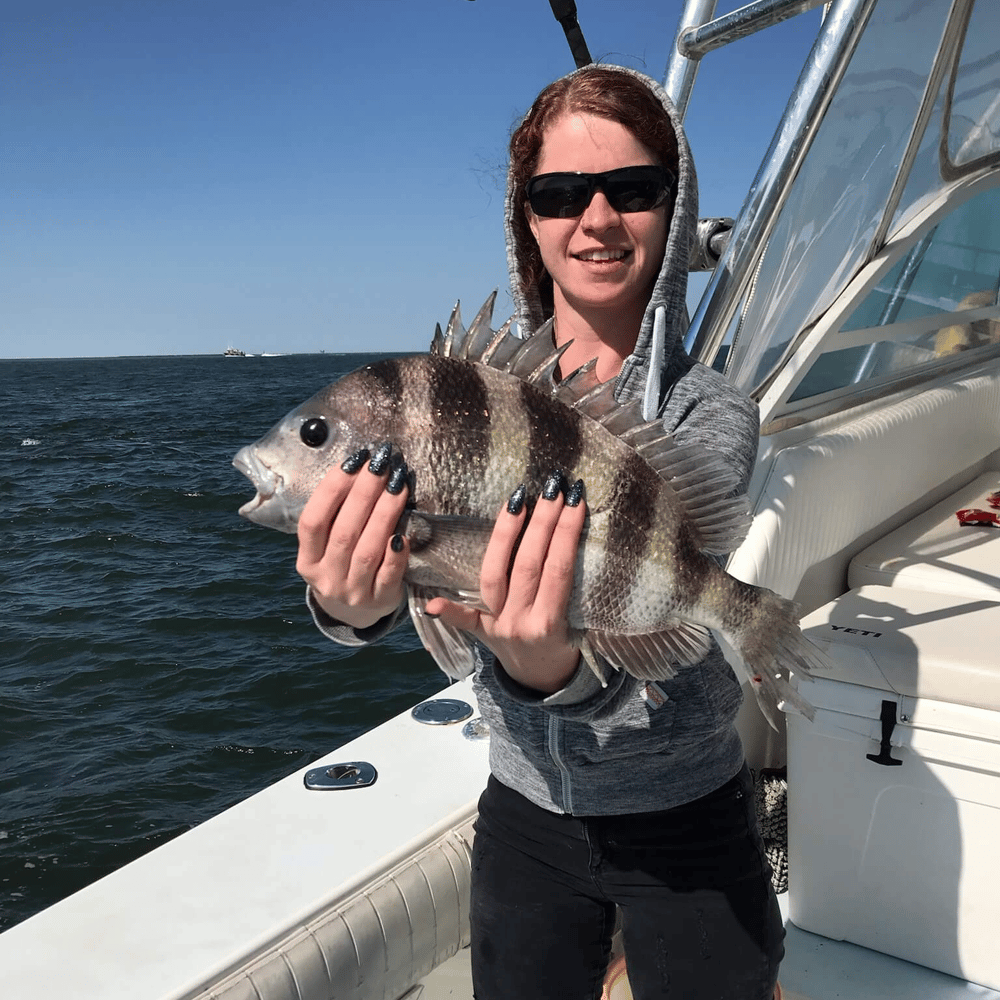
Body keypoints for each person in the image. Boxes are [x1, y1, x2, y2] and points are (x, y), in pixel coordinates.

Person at [296, 64, 783, 1000]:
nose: (595, 220)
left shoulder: (713, 413)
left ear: (673, 214)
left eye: (632, 190)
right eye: (561, 194)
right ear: (527, 216)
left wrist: (549, 671)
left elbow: (664, 626)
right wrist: (348, 607)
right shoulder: (456, 398)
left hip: (688, 811)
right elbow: (425, 576)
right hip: (527, 809)